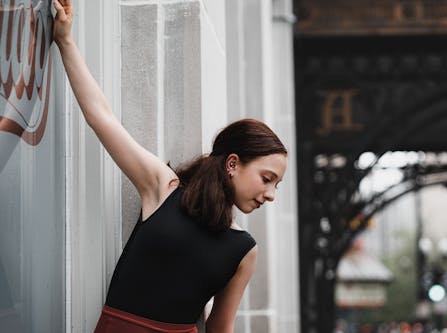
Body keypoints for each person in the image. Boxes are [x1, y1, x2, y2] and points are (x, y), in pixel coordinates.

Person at [52, 1, 288, 333]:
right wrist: (65, 41)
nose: (271, 194)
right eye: (268, 179)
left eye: (276, 185)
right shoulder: (164, 187)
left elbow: (221, 328)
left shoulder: (244, 250)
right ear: (233, 163)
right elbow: (101, 118)